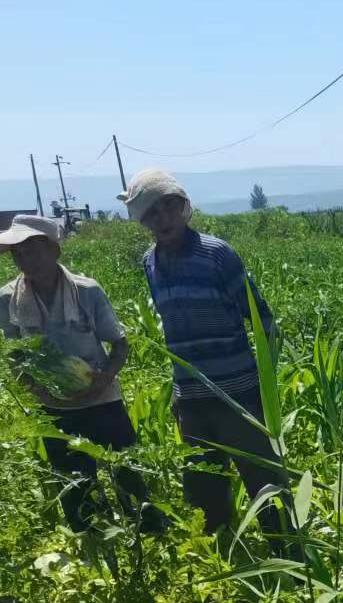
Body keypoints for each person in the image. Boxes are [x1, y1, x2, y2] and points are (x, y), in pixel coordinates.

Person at [117, 168, 285, 538]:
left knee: (265, 483)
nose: (162, 218)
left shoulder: (217, 254)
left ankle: (287, 552)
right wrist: (179, 394)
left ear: (183, 207)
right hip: (191, 400)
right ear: (143, 220)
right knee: (204, 491)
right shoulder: (150, 263)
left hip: (239, 396)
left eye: (168, 207)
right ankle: (226, 559)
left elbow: (265, 322)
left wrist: (266, 390)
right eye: (152, 213)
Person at [0, 214, 165, 534]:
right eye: (18, 252)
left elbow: (120, 344)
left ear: (54, 250)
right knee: (76, 483)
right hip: (52, 409)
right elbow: (13, 354)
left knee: (127, 472)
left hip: (103, 402)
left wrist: (103, 380)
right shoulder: (7, 298)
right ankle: (95, 543)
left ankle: (148, 534)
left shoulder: (87, 291)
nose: (24, 258)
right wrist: (39, 392)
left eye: (31, 249)